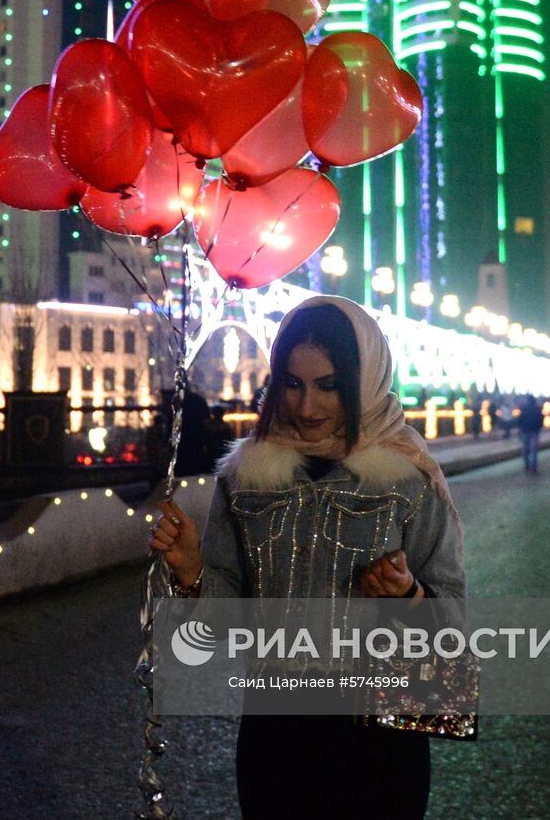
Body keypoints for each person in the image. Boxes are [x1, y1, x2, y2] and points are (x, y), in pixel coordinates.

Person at [149, 296, 468, 819]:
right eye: (292, 384)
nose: (306, 406)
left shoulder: (408, 479)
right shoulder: (246, 479)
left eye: (329, 385)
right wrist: (192, 570)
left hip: (381, 734)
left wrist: (408, 597)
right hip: (277, 732)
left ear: (363, 380)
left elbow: (453, 614)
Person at [516, 394, 545, 474]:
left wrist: (521, 429)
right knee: (533, 450)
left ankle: (527, 466)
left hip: (525, 431)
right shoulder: (538, 409)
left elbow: (519, 420)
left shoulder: (523, 409)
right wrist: (538, 428)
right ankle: (533, 466)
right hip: (534, 431)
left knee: (525, 449)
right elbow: (541, 419)